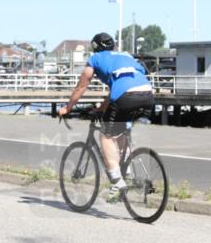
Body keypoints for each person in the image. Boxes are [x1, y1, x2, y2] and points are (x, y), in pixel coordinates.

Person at [58, 32, 154, 202]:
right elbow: (116, 90)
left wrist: (67, 108)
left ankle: (117, 182)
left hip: (125, 96)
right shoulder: (126, 56)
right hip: (147, 94)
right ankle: (128, 171)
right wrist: (102, 108)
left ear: (95, 47)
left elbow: (81, 87)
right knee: (121, 129)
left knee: (106, 136)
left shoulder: (95, 59)